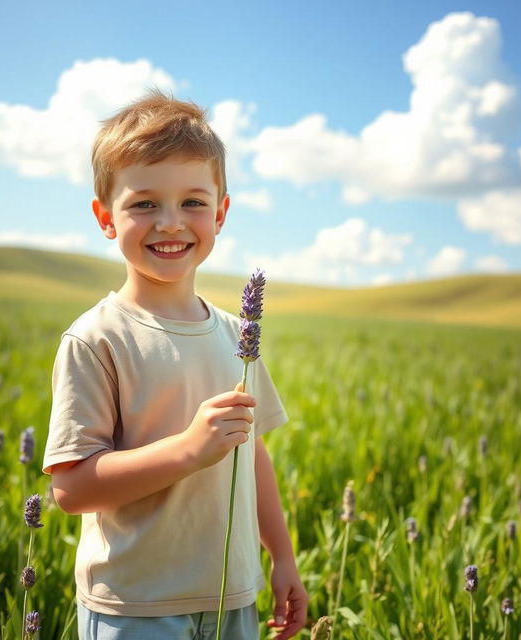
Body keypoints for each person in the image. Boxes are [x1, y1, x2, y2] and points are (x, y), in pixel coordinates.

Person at [42, 90, 307, 640]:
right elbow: (71, 488)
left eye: (193, 202)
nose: (170, 223)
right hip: (136, 603)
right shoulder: (96, 339)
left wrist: (281, 557)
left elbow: (251, 452)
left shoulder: (240, 337)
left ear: (221, 212)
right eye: (144, 204)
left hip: (230, 595)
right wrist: (188, 449)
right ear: (105, 217)